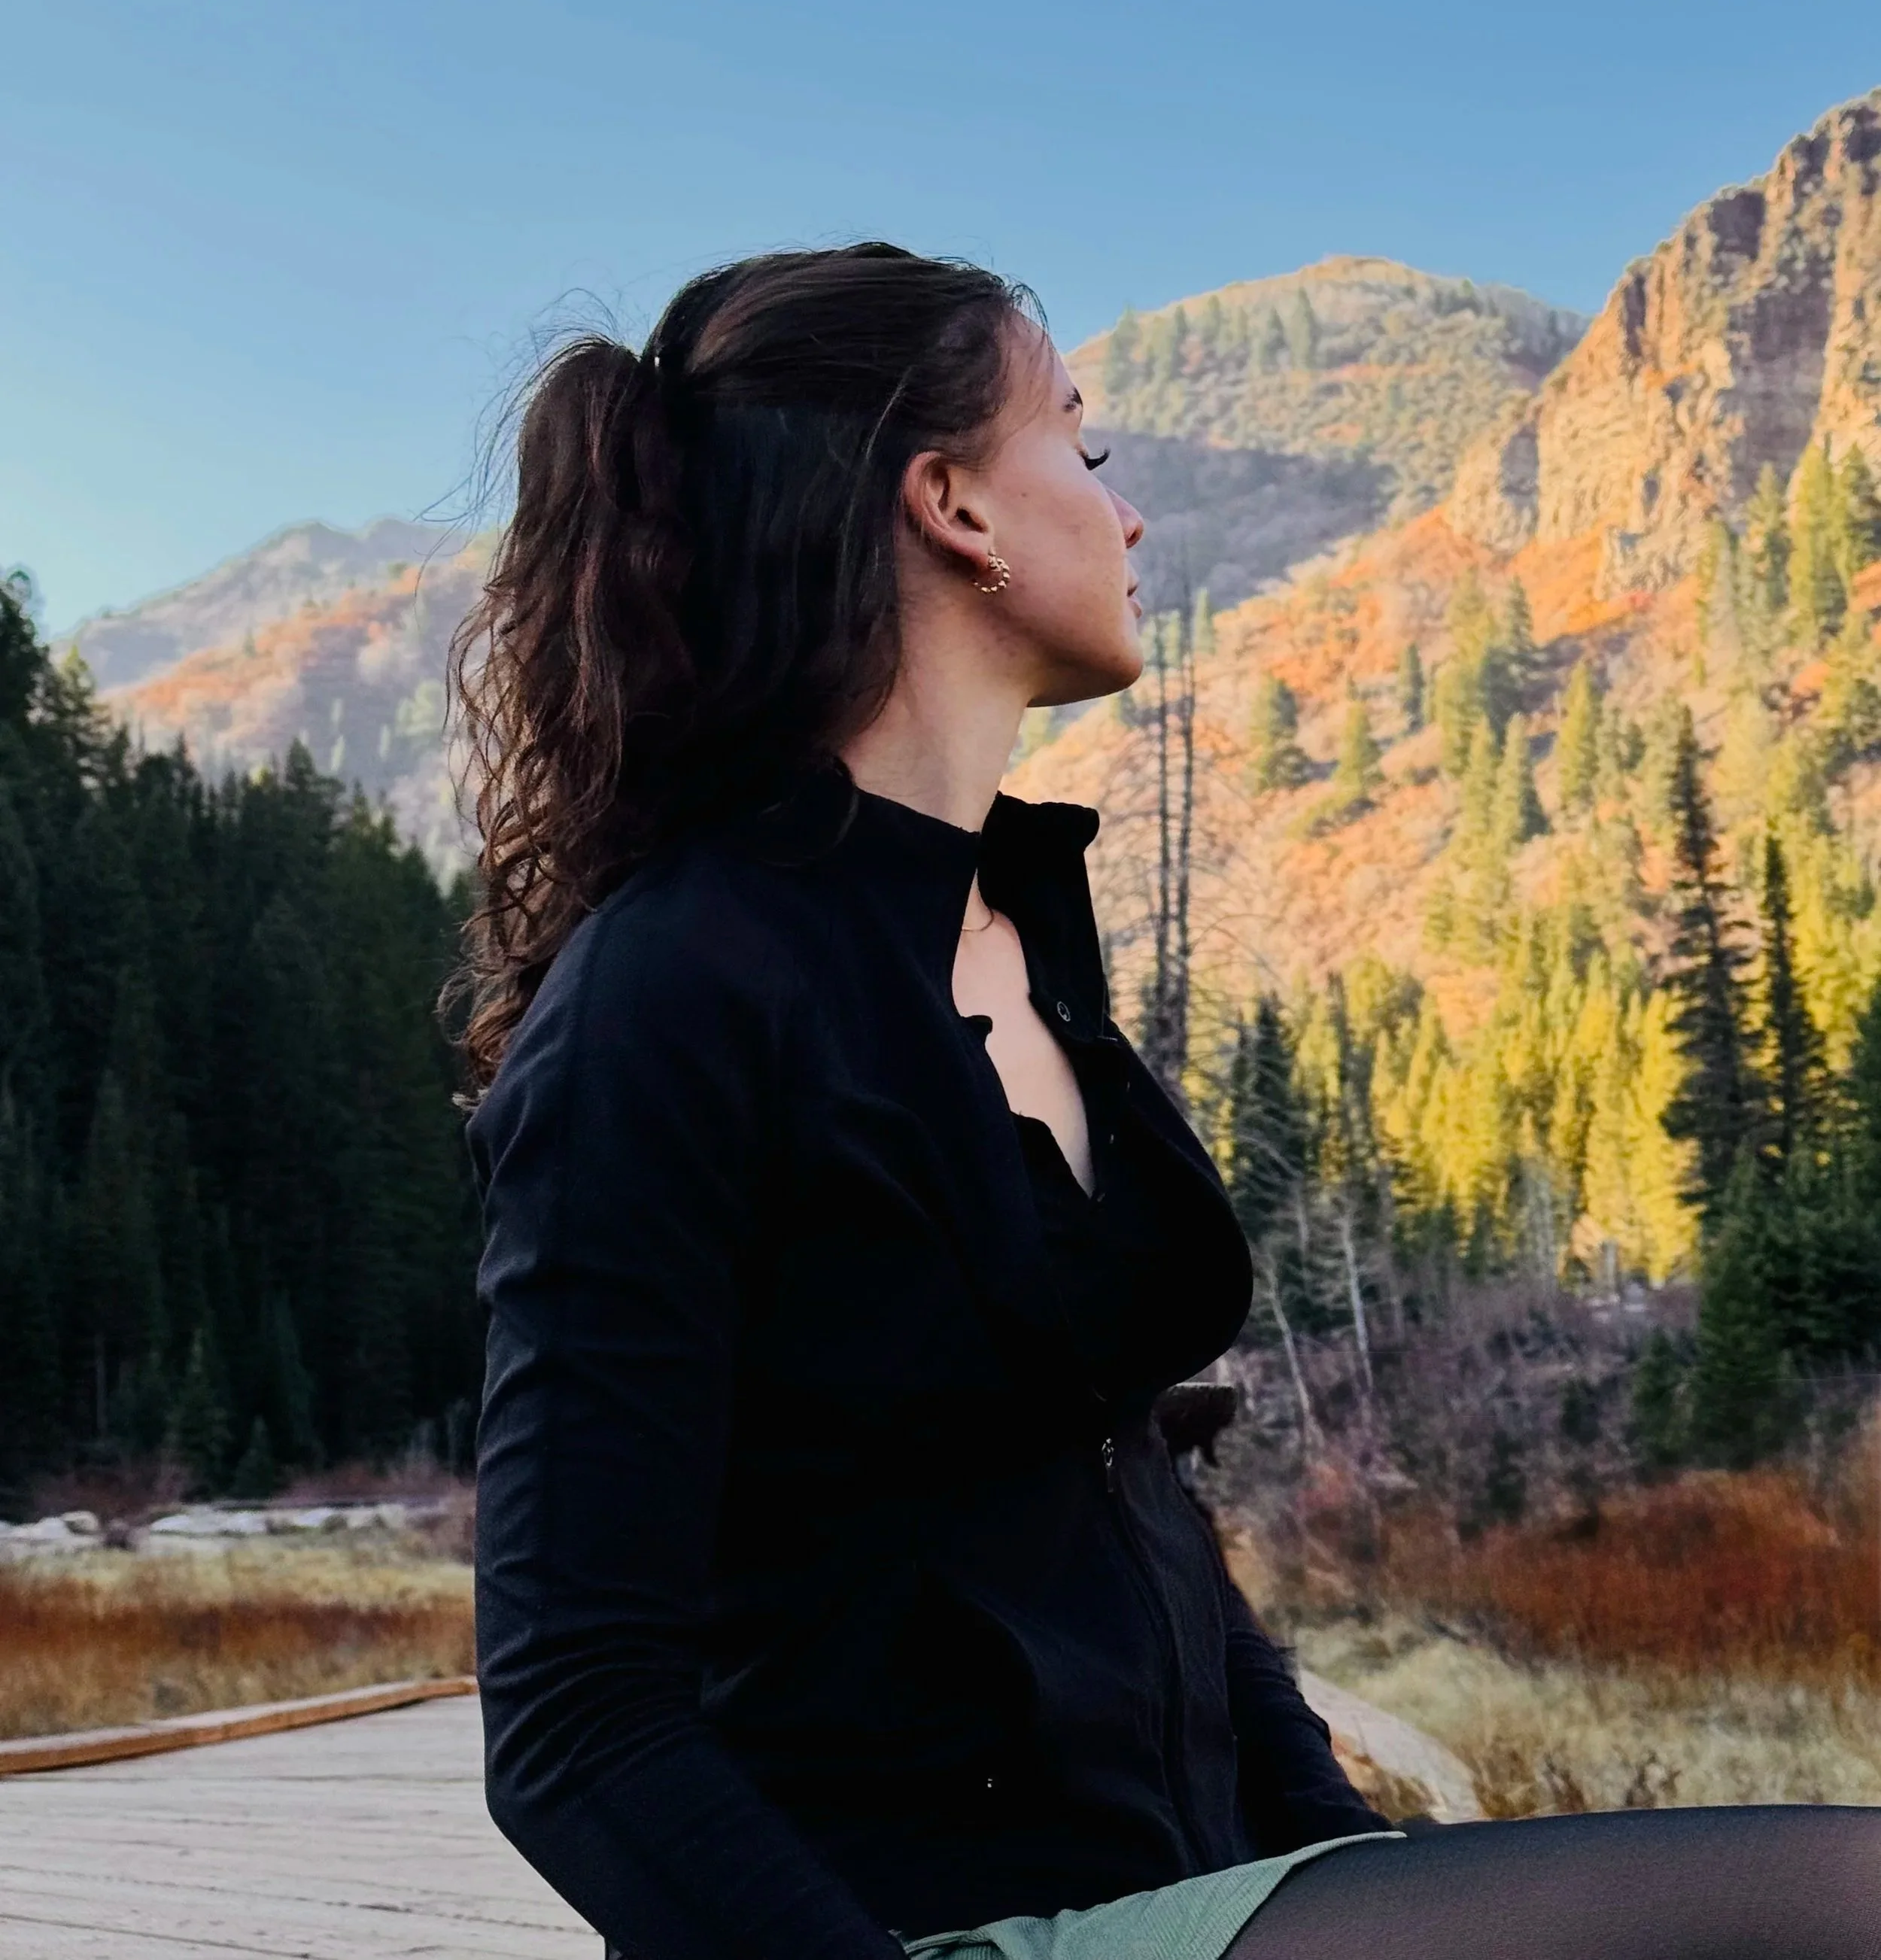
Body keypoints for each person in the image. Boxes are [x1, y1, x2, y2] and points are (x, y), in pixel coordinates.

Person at [455, 245, 1880, 1960]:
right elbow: (573, 1725)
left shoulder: (1016, 936)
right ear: (951, 505)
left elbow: (1134, 1514)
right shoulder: (668, 996)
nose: (1123, 521)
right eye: (1085, 449)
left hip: (1186, 1895)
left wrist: (1355, 1869)